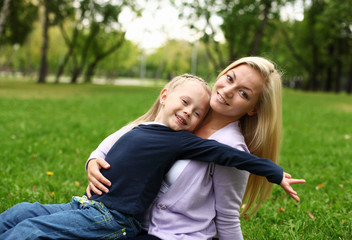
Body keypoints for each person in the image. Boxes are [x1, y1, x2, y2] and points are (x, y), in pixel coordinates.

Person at [0, 74, 297, 240]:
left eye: (197, 113)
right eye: (184, 102)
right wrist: (91, 162)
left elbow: (229, 156)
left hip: (113, 218)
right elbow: (106, 146)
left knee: (29, 232)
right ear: (164, 96)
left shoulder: (181, 141)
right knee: (22, 211)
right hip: (88, 204)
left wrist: (273, 171)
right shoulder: (144, 126)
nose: (188, 113)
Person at [86, 57, 306, 240]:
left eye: (243, 93)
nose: (228, 91)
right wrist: (96, 158)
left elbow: (228, 217)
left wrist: (272, 172)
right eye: (229, 78)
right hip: (133, 225)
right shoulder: (191, 111)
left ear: (253, 109)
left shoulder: (231, 146)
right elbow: (135, 130)